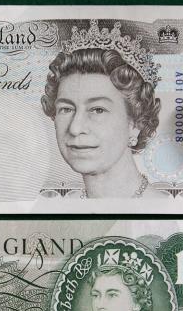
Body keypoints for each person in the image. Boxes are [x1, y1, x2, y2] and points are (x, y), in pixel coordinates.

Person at [41, 20, 163, 199]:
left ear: (136, 123)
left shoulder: (161, 207)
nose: (75, 129)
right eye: (66, 109)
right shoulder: (62, 206)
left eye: (97, 110)